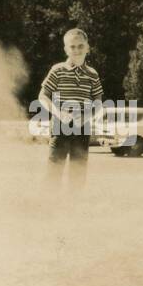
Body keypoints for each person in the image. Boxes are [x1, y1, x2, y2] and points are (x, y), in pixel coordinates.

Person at [37, 27, 103, 187]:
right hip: (60, 127)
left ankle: (74, 209)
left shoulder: (92, 74)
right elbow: (43, 96)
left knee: (78, 172)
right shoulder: (58, 70)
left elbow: (98, 102)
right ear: (66, 49)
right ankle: (50, 207)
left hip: (82, 128)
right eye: (72, 47)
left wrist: (87, 116)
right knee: (54, 170)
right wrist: (58, 113)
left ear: (87, 48)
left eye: (81, 46)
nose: (77, 50)